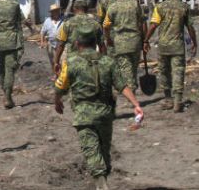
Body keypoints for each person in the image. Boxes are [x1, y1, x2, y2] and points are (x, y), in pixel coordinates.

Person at [54, 25, 144, 190]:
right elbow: (121, 85)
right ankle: (102, 178)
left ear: (77, 43)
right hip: (105, 114)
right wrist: (135, 104)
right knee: (104, 150)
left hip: (83, 115)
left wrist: (57, 100)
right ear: (95, 42)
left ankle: (101, 183)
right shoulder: (108, 61)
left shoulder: (71, 62)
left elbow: (60, 86)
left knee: (91, 150)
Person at [144, 0, 198, 112]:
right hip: (178, 46)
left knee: (164, 72)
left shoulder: (160, 7)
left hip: (163, 45)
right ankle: (178, 101)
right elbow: (190, 27)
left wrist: (145, 40)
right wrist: (194, 42)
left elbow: (153, 25)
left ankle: (168, 99)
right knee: (178, 71)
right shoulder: (183, 7)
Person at [102, 0, 146, 94]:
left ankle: (131, 93)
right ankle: (132, 88)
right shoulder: (135, 4)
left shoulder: (113, 7)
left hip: (121, 43)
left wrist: (108, 39)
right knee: (133, 68)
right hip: (135, 41)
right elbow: (143, 23)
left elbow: (105, 26)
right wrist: (144, 39)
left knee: (126, 69)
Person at [54, 0, 102, 76]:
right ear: (86, 9)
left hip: (73, 63)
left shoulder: (67, 24)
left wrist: (56, 62)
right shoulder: (96, 24)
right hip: (91, 62)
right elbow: (102, 45)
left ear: (74, 9)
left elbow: (60, 45)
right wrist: (104, 61)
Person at [39, 4, 64, 74]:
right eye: (54, 11)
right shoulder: (47, 21)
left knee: (62, 61)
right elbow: (42, 32)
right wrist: (42, 41)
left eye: (57, 11)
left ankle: (62, 76)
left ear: (59, 11)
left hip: (62, 44)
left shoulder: (63, 20)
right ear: (51, 13)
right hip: (51, 44)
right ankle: (55, 74)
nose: (56, 12)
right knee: (53, 61)